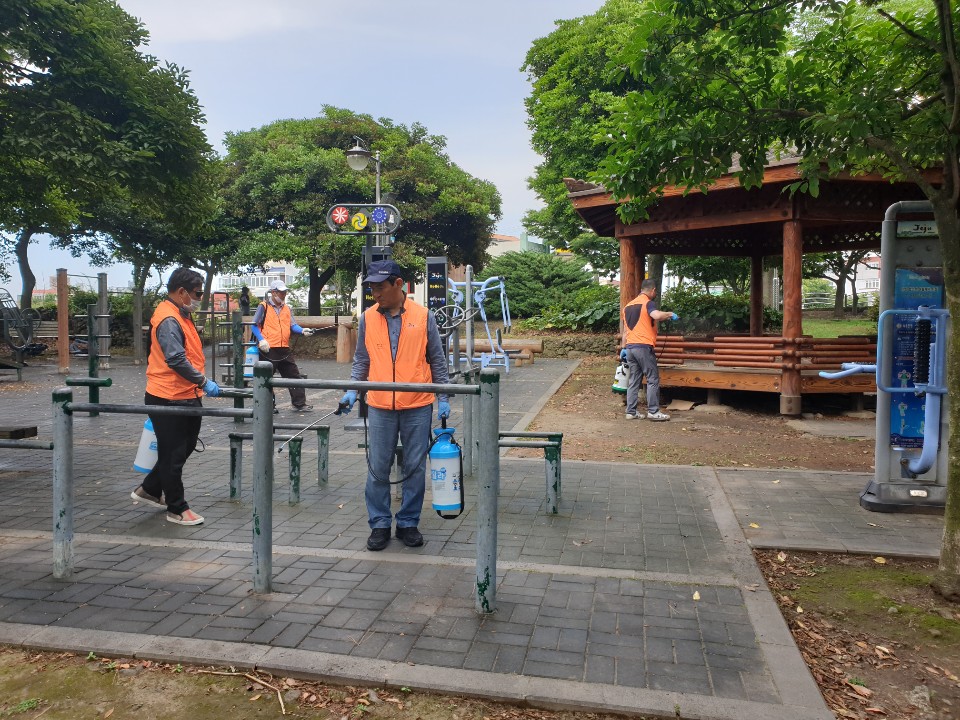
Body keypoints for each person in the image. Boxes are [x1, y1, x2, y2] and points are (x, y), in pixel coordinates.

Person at [340, 260, 450, 551]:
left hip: (417, 404)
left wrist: (444, 398)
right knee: (378, 467)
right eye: (372, 288)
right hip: (378, 405)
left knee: (414, 467)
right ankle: (379, 524)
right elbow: (362, 360)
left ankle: (408, 523)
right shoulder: (367, 318)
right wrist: (352, 391)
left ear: (399, 284)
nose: (375, 293)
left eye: (380, 287)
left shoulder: (424, 316)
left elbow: (437, 359)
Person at [131, 267, 221, 526]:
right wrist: (203, 381)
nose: (199, 298)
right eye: (196, 293)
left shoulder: (181, 314)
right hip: (168, 396)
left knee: (185, 447)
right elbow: (175, 358)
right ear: (181, 292)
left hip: (186, 394)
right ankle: (177, 508)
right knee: (173, 454)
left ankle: (149, 489)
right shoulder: (169, 318)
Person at [250, 280, 316, 412]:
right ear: (273, 292)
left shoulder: (287, 308)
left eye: (285, 292)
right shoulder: (263, 306)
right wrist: (262, 340)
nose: (284, 294)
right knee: (267, 379)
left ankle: (299, 404)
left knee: (294, 376)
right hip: (268, 349)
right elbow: (254, 325)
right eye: (281, 292)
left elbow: (293, 325)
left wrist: (303, 330)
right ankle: (268, 406)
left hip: (284, 348)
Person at [621, 278, 677, 422]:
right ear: (652, 290)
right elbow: (656, 315)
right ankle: (653, 411)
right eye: (655, 291)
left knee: (634, 381)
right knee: (652, 379)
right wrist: (670, 314)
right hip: (643, 347)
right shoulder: (648, 303)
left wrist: (623, 348)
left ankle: (631, 411)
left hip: (630, 348)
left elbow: (625, 332)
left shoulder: (627, 306)